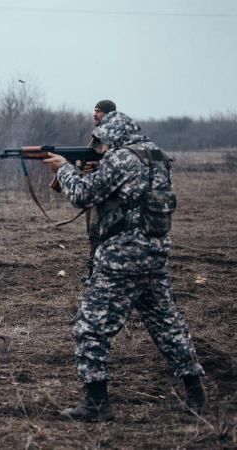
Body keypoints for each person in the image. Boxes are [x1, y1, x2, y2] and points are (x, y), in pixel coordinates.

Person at [43, 111, 205, 422]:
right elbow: (130, 195)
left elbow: (83, 195)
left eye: (104, 142)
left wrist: (64, 170)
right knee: (168, 325)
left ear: (114, 136)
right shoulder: (157, 156)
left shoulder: (120, 159)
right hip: (154, 255)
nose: (102, 148)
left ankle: (96, 403)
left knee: (90, 327)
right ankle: (196, 391)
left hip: (120, 259)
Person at [82, 99, 118, 278]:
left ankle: (100, 273)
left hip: (107, 192)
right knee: (92, 231)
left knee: (99, 231)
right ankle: (94, 271)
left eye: (99, 111)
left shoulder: (114, 135)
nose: (94, 114)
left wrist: (97, 166)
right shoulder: (97, 135)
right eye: (94, 110)